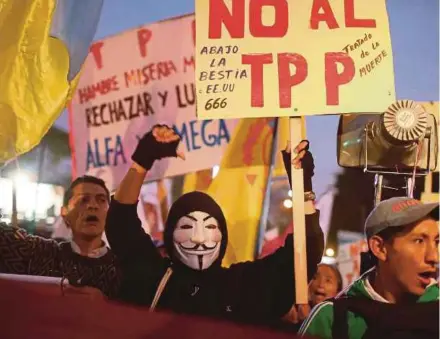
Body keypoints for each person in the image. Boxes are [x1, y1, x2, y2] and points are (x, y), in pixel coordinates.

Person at [106, 125, 324, 326]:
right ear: (171, 235)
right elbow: (120, 222)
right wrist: (142, 161)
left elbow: (305, 253)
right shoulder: (152, 276)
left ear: (223, 234)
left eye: (210, 227)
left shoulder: (243, 286)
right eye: (186, 227)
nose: (200, 238)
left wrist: (303, 190)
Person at [299, 196, 439, 338]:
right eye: (419, 241)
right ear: (379, 248)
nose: (434, 257)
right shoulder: (332, 317)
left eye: (437, 242)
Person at [0, 175, 121, 298]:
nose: (93, 206)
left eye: (101, 200)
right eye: (83, 200)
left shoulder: (123, 269)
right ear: (64, 212)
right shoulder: (41, 254)